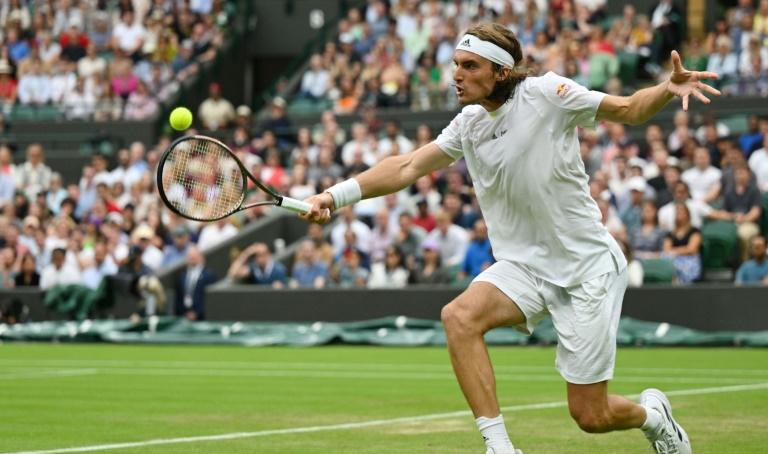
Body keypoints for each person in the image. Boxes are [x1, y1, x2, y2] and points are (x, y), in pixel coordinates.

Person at [302, 23, 717, 454]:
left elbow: (629, 108)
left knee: (592, 416)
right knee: (459, 317)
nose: (456, 75)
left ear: (501, 72)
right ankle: (499, 447)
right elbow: (407, 167)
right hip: (524, 267)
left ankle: (654, 418)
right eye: (455, 65)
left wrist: (668, 87)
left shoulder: (546, 94)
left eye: (469, 65)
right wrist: (335, 195)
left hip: (585, 269)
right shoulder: (468, 124)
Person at [662, 203, 703, 284]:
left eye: (681, 212)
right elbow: (666, 249)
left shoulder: (694, 231)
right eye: (677, 212)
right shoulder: (671, 233)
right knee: (665, 259)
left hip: (690, 260)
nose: (679, 214)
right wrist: (683, 249)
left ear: (687, 215)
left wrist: (674, 251)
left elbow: (692, 249)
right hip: (673, 260)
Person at [175, 246, 216, 321]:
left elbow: (210, 298)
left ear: (201, 257)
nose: (192, 258)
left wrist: (197, 313)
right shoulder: (182, 276)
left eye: (194, 256)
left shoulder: (209, 275)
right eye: (190, 256)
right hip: (184, 317)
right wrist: (184, 313)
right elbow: (179, 297)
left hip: (202, 318)